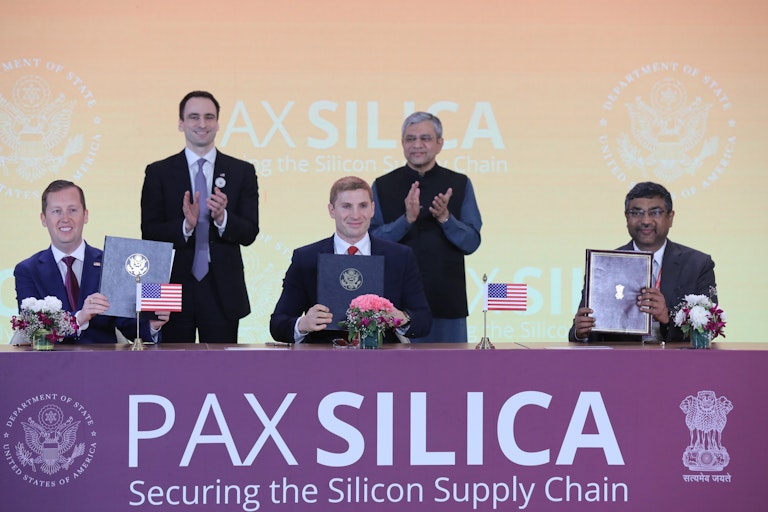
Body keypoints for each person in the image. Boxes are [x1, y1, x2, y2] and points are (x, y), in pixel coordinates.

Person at [141, 91, 259, 343]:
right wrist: (186, 225)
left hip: (223, 289)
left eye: (209, 117)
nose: (202, 124)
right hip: (168, 287)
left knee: (221, 373)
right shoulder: (157, 171)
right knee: (170, 370)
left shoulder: (242, 171)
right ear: (181, 123)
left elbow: (250, 232)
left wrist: (222, 218)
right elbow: (149, 233)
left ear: (217, 122)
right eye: (193, 117)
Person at [270, 176, 431, 344]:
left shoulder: (399, 257)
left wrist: (402, 319)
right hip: (323, 361)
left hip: (384, 361)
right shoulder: (306, 258)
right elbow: (278, 324)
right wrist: (302, 324)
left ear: (372, 209)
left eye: (363, 206)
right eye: (346, 206)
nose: (355, 215)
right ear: (332, 210)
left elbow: (424, 320)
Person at [370, 112, 482, 343]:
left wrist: (446, 219)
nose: (417, 145)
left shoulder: (459, 183)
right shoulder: (382, 185)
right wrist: (406, 220)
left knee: (450, 375)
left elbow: (471, 242)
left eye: (425, 138)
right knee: (396, 376)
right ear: (402, 143)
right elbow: (371, 243)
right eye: (410, 139)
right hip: (394, 304)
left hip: (446, 301)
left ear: (440, 144)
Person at [14, 180, 168, 344]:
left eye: (72, 210)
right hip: (51, 365)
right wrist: (80, 318)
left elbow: (129, 326)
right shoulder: (27, 270)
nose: (65, 218)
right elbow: (32, 328)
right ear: (43, 219)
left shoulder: (111, 263)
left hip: (103, 365)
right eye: (56, 211)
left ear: (85, 215)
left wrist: (152, 326)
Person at [569, 181, 717, 343]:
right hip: (621, 362)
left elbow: (710, 328)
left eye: (655, 212)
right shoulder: (605, 265)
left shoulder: (697, 264)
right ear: (626, 217)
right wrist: (580, 332)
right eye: (637, 212)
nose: (646, 220)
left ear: (670, 217)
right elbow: (582, 332)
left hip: (677, 364)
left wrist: (667, 319)